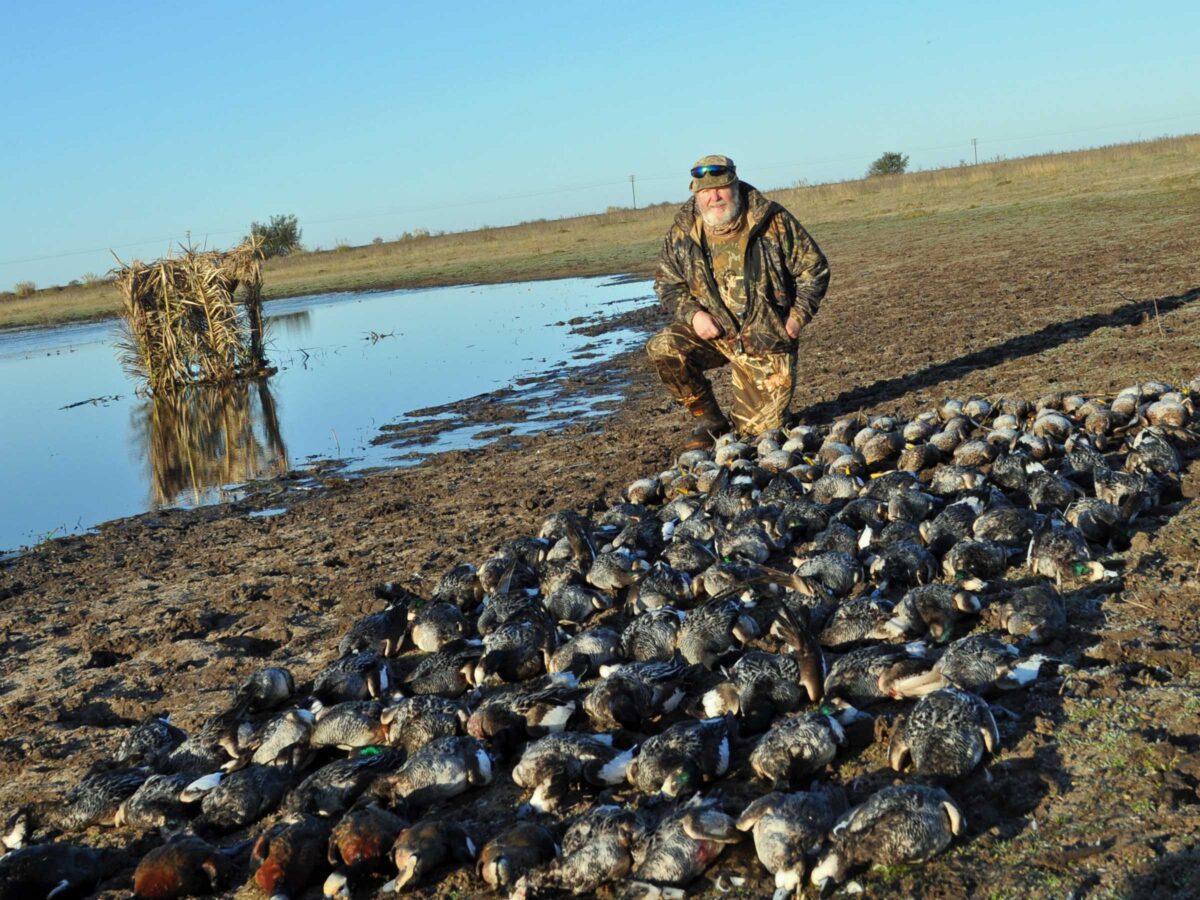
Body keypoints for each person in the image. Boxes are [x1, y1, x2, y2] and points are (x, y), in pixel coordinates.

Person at [648, 155, 829, 450]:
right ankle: (709, 420)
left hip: (765, 341)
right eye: (705, 192)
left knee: (760, 435)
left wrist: (796, 318)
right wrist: (693, 315)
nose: (714, 197)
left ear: (734, 184)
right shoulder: (683, 229)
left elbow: (815, 269)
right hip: (716, 335)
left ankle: (757, 412)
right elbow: (667, 283)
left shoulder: (772, 219)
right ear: (696, 193)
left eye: (720, 188)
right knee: (664, 347)